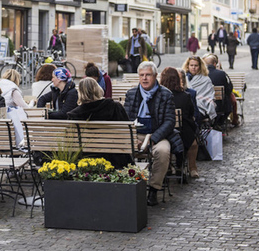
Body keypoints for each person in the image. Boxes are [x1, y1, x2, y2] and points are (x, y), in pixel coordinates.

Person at [123, 61, 183, 206]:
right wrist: (131, 138)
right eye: (142, 75)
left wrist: (153, 139)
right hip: (136, 134)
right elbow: (125, 119)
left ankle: (154, 189)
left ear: (155, 76)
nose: (144, 78)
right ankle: (128, 186)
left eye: (148, 75)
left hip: (158, 134)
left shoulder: (165, 94)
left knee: (163, 152)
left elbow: (169, 122)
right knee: (121, 149)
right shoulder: (131, 94)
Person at [67, 77, 130, 166]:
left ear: (80, 93)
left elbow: (71, 140)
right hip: (116, 159)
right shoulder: (115, 107)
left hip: (85, 160)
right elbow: (127, 132)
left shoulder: (74, 115)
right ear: (97, 89)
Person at [159, 67, 199, 178]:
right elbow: (191, 114)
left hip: (164, 132)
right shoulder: (185, 96)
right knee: (193, 143)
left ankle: (169, 167)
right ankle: (192, 168)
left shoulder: (159, 97)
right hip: (183, 132)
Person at [203, 54, 236, 127]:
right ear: (215, 64)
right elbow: (229, 88)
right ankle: (220, 124)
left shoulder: (202, 74)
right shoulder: (221, 73)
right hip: (221, 105)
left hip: (205, 105)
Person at [182, 56, 216, 121]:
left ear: (200, 67)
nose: (193, 68)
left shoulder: (206, 80)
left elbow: (209, 96)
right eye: (191, 65)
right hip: (187, 106)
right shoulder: (184, 78)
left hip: (201, 107)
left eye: (196, 65)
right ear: (187, 66)